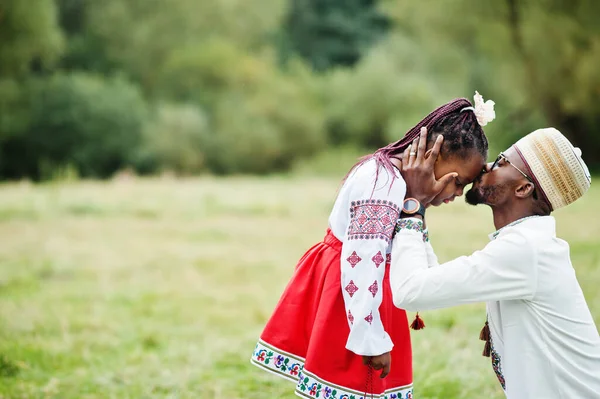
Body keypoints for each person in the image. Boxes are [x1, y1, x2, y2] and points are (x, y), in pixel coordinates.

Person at [251, 92, 495, 399]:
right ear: (432, 154)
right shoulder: (384, 184)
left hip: (368, 298)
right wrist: (371, 339)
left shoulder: (401, 188)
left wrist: (417, 204)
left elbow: (418, 258)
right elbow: (361, 263)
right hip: (356, 302)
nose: (458, 193)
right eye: (458, 181)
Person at [390, 127, 600, 398]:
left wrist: (413, 203)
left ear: (523, 188)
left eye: (501, 162)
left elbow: (410, 291)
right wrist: (420, 206)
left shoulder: (525, 250)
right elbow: (427, 279)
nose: (487, 165)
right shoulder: (528, 244)